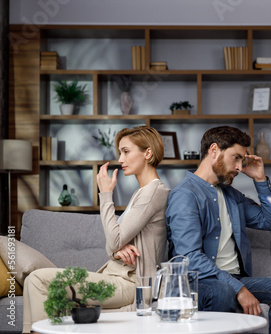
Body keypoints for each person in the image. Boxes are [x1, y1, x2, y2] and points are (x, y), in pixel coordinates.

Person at [22, 126, 170, 333]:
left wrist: (106, 194)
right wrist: (116, 250)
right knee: (32, 281)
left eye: (126, 151)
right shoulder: (142, 192)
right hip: (116, 277)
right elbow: (115, 244)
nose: (121, 159)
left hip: (130, 284)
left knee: (38, 279)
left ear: (148, 153)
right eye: (120, 152)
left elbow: (114, 240)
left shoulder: (154, 193)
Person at [166, 126, 271, 334]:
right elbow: (189, 257)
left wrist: (260, 180)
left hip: (235, 278)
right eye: (236, 158)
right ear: (214, 150)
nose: (240, 167)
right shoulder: (185, 195)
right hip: (198, 282)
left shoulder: (232, 195)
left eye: (243, 160)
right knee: (222, 291)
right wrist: (238, 289)